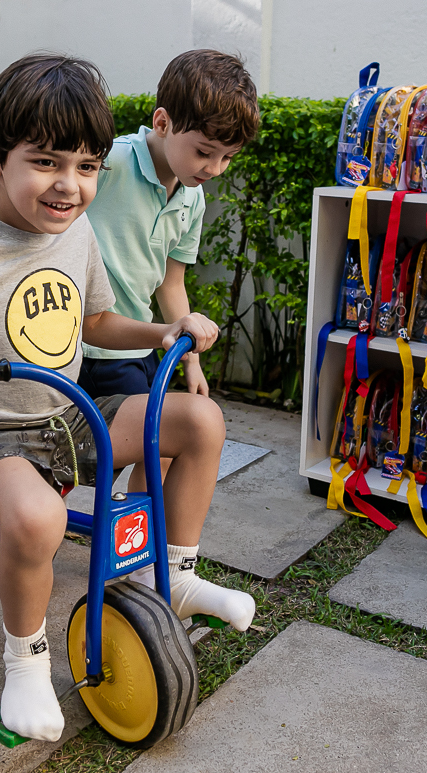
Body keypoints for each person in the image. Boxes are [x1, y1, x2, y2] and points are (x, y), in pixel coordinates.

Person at [0, 54, 256, 744]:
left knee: (199, 419)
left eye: (86, 167)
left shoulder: (75, 234)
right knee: (41, 517)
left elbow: (97, 325)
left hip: (64, 415)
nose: (69, 186)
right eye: (47, 162)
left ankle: (175, 577)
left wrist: (164, 328)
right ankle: (25, 662)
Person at [80, 49, 259, 494]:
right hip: (75, 344)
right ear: (162, 123)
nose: (214, 169)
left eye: (227, 158)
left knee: (157, 449)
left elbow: (170, 282)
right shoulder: (109, 165)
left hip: (136, 346)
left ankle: (139, 553)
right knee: (78, 452)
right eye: (204, 152)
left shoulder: (192, 198)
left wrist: (191, 361)